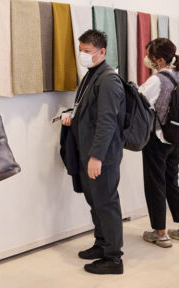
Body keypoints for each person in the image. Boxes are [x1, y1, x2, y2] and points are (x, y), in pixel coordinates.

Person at [61, 29, 125, 275]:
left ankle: (114, 258)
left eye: (87, 51)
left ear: (102, 51)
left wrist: (96, 157)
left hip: (101, 156)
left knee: (106, 203)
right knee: (95, 202)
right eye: (81, 51)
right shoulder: (91, 76)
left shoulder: (108, 80)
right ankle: (102, 244)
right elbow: (88, 112)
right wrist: (72, 116)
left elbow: (107, 121)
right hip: (86, 151)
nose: (83, 55)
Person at [138, 39, 179, 248]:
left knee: (155, 184)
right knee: (172, 183)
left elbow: (139, 100)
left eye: (150, 56)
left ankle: (160, 233)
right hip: (176, 139)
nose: (147, 59)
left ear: (160, 60)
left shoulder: (156, 80)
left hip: (158, 139)